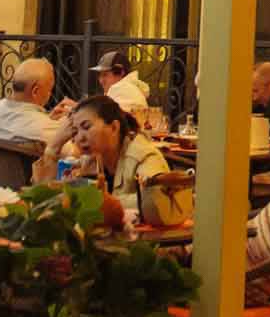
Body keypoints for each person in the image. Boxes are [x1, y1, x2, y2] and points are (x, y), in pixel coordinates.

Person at [38, 91, 183, 230]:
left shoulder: (144, 156)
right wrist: (53, 148)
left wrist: (99, 201)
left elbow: (156, 199)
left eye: (86, 127)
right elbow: (45, 199)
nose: (80, 138)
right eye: (75, 131)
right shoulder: (90, 159)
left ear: (114, 127)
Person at [0, 56, 70, 151]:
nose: (50, 94)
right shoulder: (43, 127)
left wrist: (48, 118)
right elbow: (75, 152)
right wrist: (72, 122)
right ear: (35, 91)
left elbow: (22, 124)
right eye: (49, 89)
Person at [97, 49, 160, 133]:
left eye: (105, 75)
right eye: (100, 75)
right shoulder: (126, 88)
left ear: (121, 72)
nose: (101, 80)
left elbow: (112, 127)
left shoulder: (122, 89)